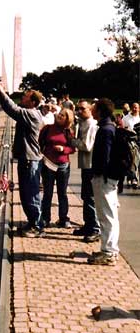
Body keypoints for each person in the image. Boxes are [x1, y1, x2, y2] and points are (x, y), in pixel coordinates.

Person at [0, 81, 44, 237]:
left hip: (30, 160)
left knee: (31, 193)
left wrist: (0, 93)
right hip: (27, 159)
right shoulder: (30, 113)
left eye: (26, 97)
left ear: (33, 102)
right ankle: (32, 222)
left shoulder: (31, 113)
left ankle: (36, 226)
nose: (22, 98)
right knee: (26, 193)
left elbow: (12, 109)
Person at [88, 98, 119, 265]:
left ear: (99, 111)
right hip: (109, 178)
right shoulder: (110, 127)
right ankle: (110, 250)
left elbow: (104, 157)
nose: (92, 108)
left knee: (106, 216)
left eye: (94, 107)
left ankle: (108, 253)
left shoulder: (105, 130)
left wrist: (97, 175)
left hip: (104, 179)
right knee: (111, 215)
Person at [39, 108, 76, 228]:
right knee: (47, 193)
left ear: (67, 119)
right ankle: (45, 218)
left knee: (62, 193)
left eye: (63, 115)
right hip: (48, 164)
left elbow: (72, 148)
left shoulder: (68, 132)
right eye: (60, 114)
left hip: (63, 165)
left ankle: (63, 219)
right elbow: (40, 144)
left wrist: (63, 149)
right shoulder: (47, 128)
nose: (59, 116)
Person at [71, 100, 100, 241]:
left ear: (90, 109)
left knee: (90, 197)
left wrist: (71, 140)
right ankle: (88, 224)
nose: (79, 111)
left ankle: (94, 228)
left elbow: (86, 145)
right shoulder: (83, 124)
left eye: (82, 109)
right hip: (86, 164)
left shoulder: (90, 125)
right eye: (78, 109)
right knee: (86, 196)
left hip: (90, 165)